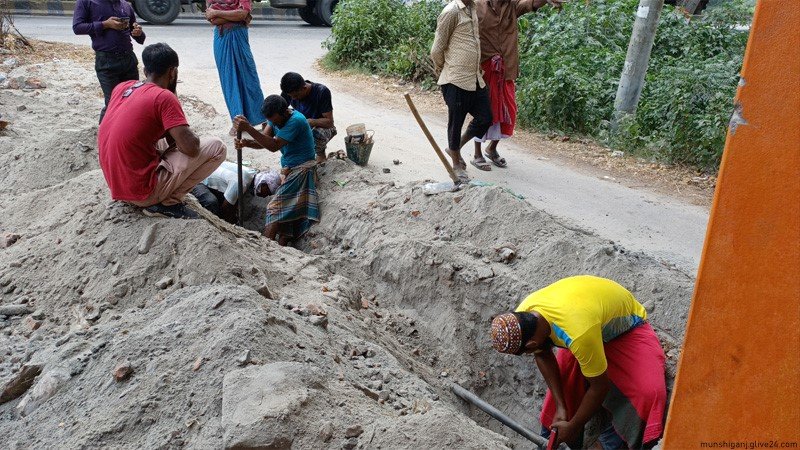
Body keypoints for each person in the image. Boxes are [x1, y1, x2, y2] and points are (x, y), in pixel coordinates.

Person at [491, 276, 667, 449]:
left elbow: (600, 387)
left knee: (648, 394)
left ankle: (605, 446)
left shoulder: (578, 334)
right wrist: (561, 407)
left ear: (531, 345)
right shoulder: (524, 316)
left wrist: (573, 426)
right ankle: (550, 441)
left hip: (626, 331)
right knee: (565, 383)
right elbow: (542, 354)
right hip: (588, 323)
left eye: (527, 351)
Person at [98, 43, 227, 219]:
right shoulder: (163, 97)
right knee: (217, 147)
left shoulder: (123, 87)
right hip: (142, 193)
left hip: (117, 185)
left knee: (156, 137)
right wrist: (172, 93)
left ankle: (157, 192)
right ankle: (167, 202)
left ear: (145, 71)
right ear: (172, 72)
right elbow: (192, 149)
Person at [472, 0, 562, 170]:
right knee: (483, 112)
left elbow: (533, 3)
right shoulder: (476, 5)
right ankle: (477, 154)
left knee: (508, 111)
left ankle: (491, 148)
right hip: (484, 68)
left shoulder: (512, 6)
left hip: (505, 69)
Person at [233, 95, 319, 244]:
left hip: (303, 169)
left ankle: (265, 248)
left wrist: (248, 128)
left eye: (274, 120)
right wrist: (246, 143)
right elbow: (263, 141)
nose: (272, 123)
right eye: (270, 120)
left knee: (274, 208)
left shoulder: (296, 121)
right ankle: (280, 248)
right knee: (285, 219)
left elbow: (273, 145)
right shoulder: (276, 119)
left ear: (285, 111)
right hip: (289, 169)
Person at [430, 0, 492, 182]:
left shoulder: (472, 8)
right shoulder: (451, 12)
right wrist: (444, 69)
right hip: (455, 80)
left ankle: (455, 148)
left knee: (485, 118)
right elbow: (437, 49)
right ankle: (456, 165)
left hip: (475, 79)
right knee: (455, 124)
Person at [72, 0, 146, 123]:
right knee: (113, 102)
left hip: (129, 60)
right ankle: (105, 134)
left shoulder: (125, 5)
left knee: (132, 99)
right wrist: (105, 24)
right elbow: (77, 27)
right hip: (106, 62)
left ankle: (126, 131)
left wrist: (138, 33)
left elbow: (138, 35)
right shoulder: (86, 2)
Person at [205, 0, 266, 134]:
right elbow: (212, 18)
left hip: (238, 34)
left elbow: (242, 14)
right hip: (221, 37)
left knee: (249, 77)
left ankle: (263, 117)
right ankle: (238, 121)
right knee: (229, 80)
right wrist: (229, 15)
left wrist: (218, 13)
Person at [280, 72, 337, 163]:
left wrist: (309, 122)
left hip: (322, 127)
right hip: (302, 124)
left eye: (296, 96)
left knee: (315, 134)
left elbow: (329, 122)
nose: (293, 99)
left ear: (304, 88)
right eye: (291, 96)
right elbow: (280, 110)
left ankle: (320, 155)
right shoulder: (289, 91)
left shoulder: (321, 91)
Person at [190, 161, 259, 223]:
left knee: (230, 200)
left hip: (209, 170)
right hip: (197, 178)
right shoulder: (241, 183)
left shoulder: (252, 172)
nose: (267, 195)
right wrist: (230, 224)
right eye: (268, 191)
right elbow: (226, 208)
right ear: (264, 184)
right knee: (211, 202)